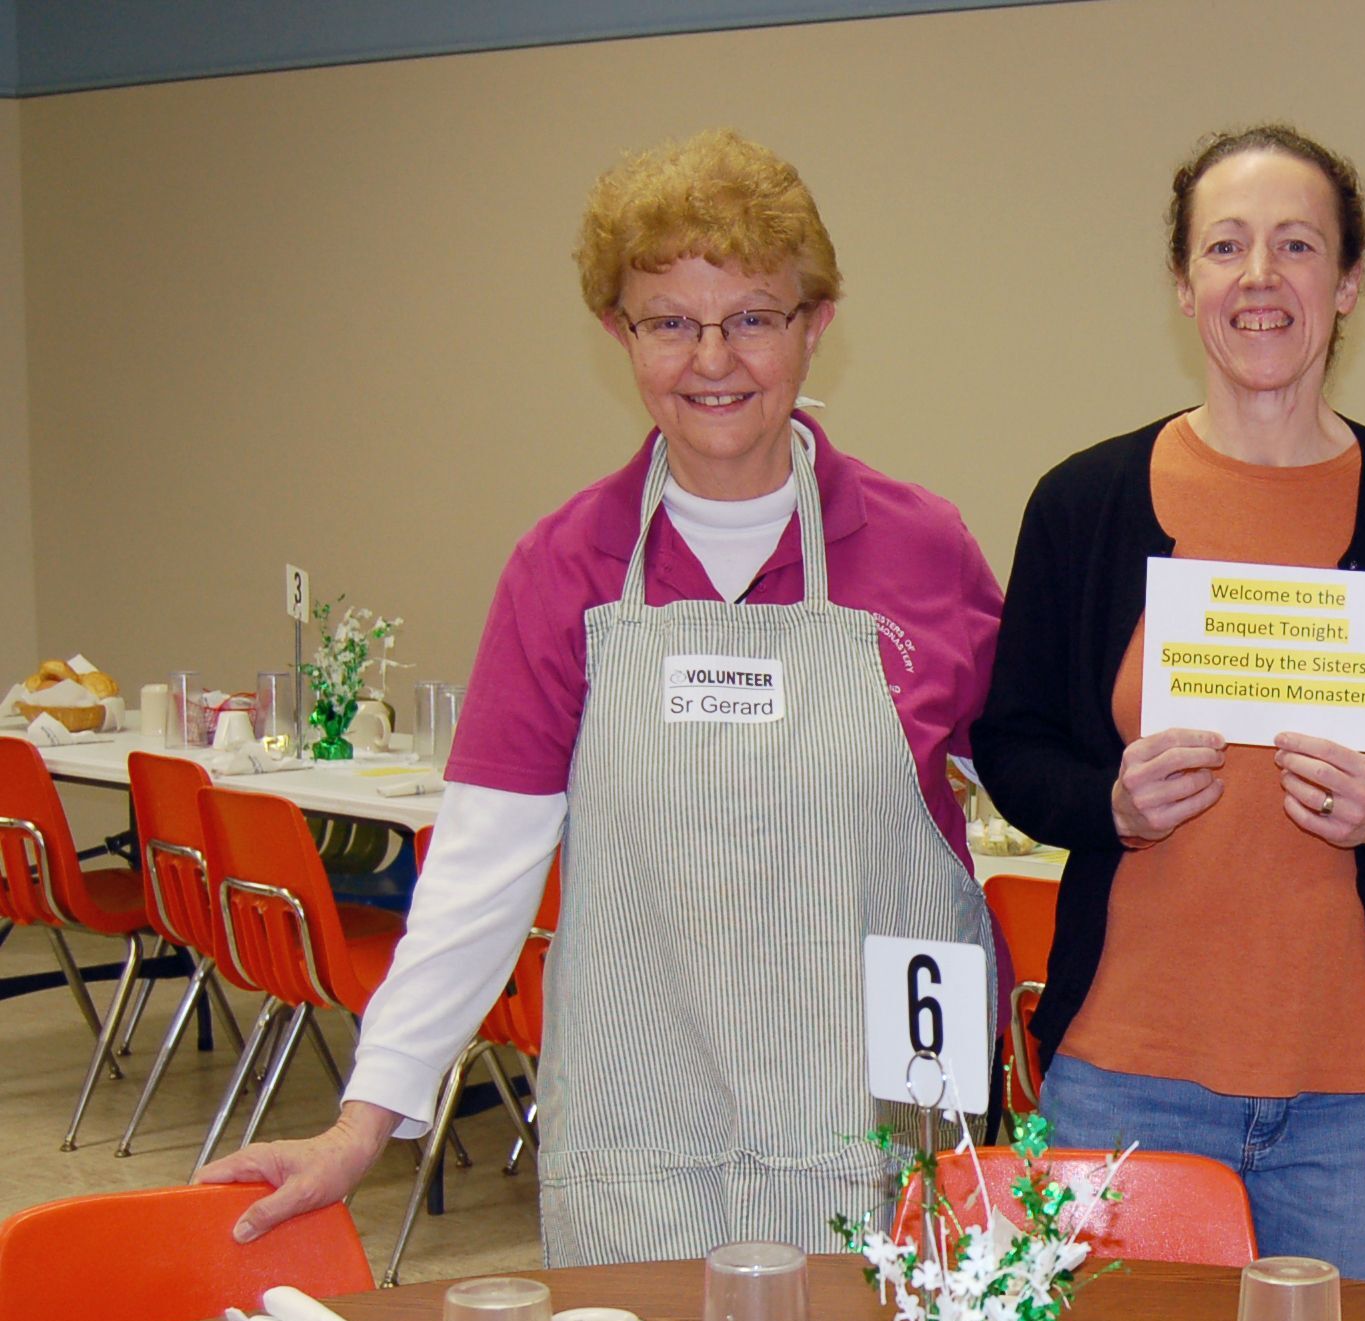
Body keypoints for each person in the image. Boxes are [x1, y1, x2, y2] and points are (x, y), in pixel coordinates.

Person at [201, 129, 1002, 1263]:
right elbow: (482, 869)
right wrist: (361, 1119)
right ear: (618, 334)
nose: (711, 357)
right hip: (648, 1149)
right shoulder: (563, 568)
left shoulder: (923, 551)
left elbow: (1036, 768)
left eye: (753, 318)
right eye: (668, 321)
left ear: (815, 325)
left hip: (886, 1144)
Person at [971, 125, 1365, 1285]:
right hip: (1124, 1075)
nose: (1258, 277)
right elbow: (1008, 742)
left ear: (1348, 281)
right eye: (1224, 246)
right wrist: (1108, 801)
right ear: (1183, 281)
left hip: (1359, 1097)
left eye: (1296, 244)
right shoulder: (1082, 503)